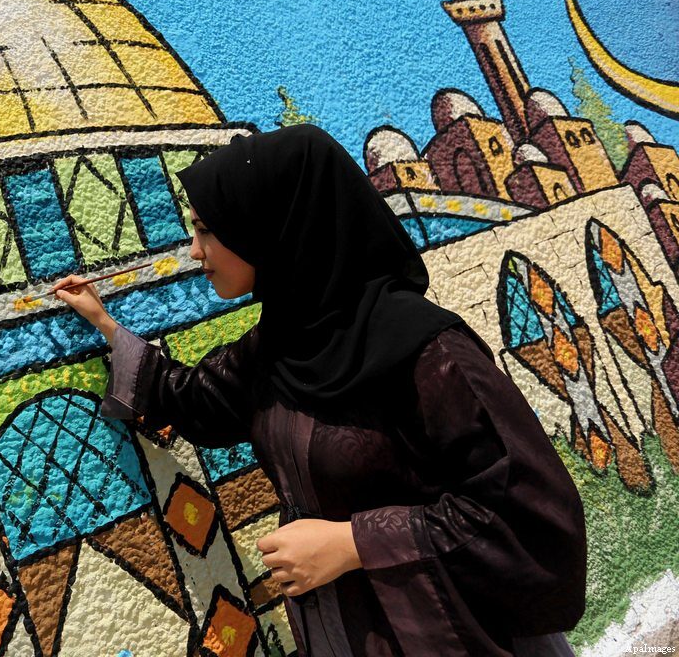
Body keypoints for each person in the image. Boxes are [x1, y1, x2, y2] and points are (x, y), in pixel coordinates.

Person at [51, 125, 587, 656]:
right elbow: (194, 399)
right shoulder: (281, 346)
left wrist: (352, 543)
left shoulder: (428, 355)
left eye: (208, 230)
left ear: (270, 223)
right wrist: (105, 325)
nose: (195, 251)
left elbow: (534, 522)